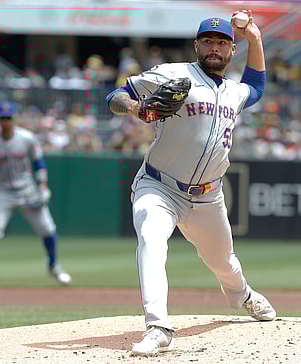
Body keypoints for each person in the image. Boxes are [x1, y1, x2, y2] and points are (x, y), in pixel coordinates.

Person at [105, 12, 276, 357]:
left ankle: (243, 295)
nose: (215, 48)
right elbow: (115, 97)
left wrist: (254, 37)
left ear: (231, 51)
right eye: (208, 41)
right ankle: (158, 327)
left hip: (207, 197)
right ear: (197, 45)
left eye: (223, 43)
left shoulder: (235, 92)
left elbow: (257, 86)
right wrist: (137, 108)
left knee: (223, 263)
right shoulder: (173, 73)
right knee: (151, 238)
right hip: (158, 186)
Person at [0, 101, 71, 289]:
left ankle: (53, 266)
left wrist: (42, 185)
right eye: (3, 118)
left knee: (48, 229)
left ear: (14, 119)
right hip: (2, 191)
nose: (6, 122)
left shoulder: (27, 138)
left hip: (27, 189)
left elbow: (38, 162)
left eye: (8, 118)